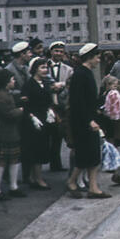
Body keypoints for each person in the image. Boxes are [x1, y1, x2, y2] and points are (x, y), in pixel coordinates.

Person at [67, 43, 111, 199]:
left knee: (92, 155)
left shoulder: (86, 73)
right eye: (97, 57)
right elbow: (78, 102)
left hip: (89, 119)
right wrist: (89, 120)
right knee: (85, 155)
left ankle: (93, 187)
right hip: (83, 122)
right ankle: (73, 181)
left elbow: (89, 99)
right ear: (90, 57)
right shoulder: (80, 74)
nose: (99, 60)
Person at [21, 57, 53, 190]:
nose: (45, 70)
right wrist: (32, 116)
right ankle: (37, 179)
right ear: (35, 69)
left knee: (42, 148)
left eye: (46, 67)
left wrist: (50, 110)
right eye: (42, 67)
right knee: (36, 150)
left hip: (44, 118)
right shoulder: (29, 84)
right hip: (33, 121)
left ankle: (36, 177)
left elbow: (47, 99)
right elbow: (25, 104)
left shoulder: (45, 83)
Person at [0, 70, 26, 200]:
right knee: (2, 162)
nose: (14, 81)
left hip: (10, 132)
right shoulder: (1, 96)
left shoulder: (6, 94)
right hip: (4, 132)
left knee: (13, 160)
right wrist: (20, 111)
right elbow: (8, 114)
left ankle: (13, 186)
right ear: (6, 81)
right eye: (12, 79)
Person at [46, 41, 72, 171]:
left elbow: (70, 85)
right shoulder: (44, 66)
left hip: (61, 105)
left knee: (59, 135)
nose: (58, 54)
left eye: (61, 52)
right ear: (51, 52)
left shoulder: (68, 69)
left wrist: (61, 88)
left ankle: (56, 164)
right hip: (47, 105)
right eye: (56, 51)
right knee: (49, 136)